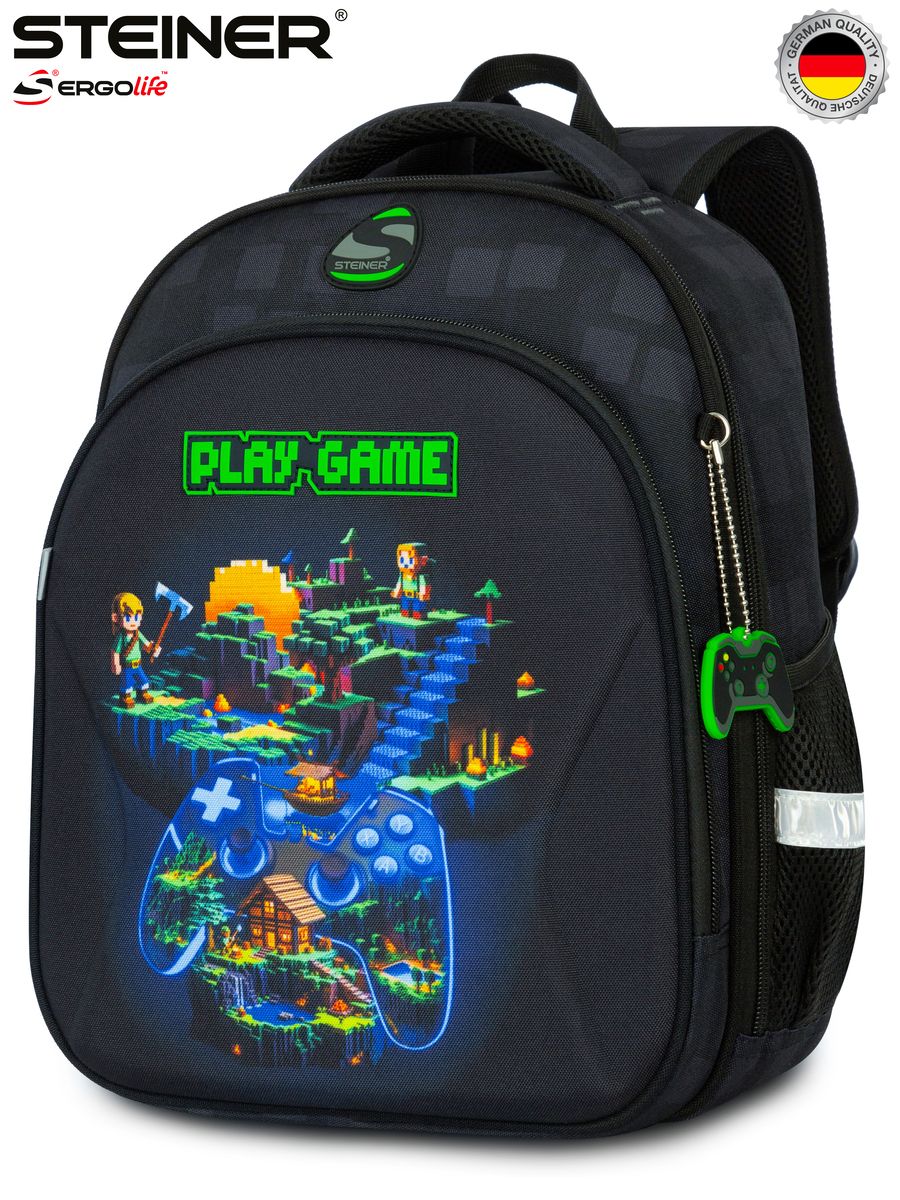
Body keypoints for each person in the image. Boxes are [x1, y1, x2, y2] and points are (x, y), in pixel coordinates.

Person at [111, 592, 160, 707]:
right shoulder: (121, 637)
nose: (133, 621)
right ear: (116, 618)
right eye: (128, 617)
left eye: (136, 617)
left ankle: (142, 694)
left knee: (143, 681)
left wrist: (154, 648)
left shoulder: (138, 634)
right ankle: (125, 698)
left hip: (138, 665)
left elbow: (147, 646)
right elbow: (115, 652)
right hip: (127, 667)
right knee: (126, 684)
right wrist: (115, 665)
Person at [391, 543, 432, 620]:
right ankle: (406, 613)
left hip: (417, 597)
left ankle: (418, 614)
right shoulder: (402, 575)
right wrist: (397, 592)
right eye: (402, 560)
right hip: (405, 596)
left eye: (410, 560)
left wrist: (423, 594)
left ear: (422, 560)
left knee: (418, 611)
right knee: (405, 610)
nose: (406, 564)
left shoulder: (421, 576)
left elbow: (424, 586)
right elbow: (399, 584)